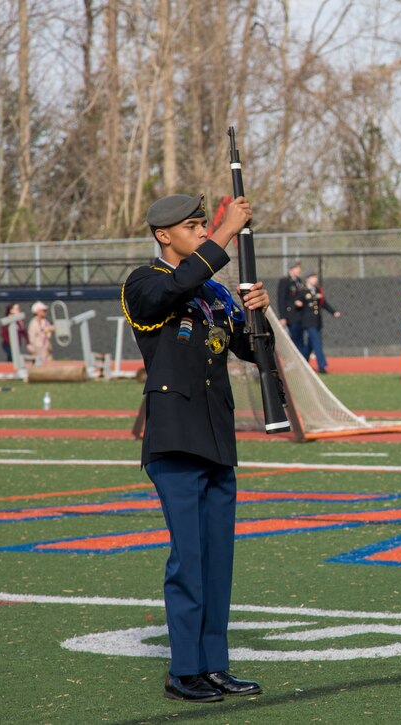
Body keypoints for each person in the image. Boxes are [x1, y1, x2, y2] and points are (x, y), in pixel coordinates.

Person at [121, 193, 267, 702]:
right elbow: (171, 291)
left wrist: (256, 313)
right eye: (195, 226)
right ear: (164, 235)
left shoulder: (214, 292)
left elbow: (250, 350)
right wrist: (227, 232)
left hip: (216, 438)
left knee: (216, 561)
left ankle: (214, 664)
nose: (205, 231)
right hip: (176, 439)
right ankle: (183, 670)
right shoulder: (143, 282)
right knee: (188, 559)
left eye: (207, 224)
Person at [301, 271, 340, 374]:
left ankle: (302, 363)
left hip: (317, 321)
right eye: (313, 277)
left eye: (315, 277)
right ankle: (322, 366)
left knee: (310, 344)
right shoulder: (303, 290)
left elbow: (323, 303)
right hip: (308, 322)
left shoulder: (318, 290)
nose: (315, 279)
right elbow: (296, 302)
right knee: (317, 342)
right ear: (308, 279)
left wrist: (333, 312)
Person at [276, 260, 308, 358]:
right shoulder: (285, 281)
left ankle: (302, 362)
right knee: (293, 340)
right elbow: (281, 299)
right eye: (297, 267)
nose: (299, 270)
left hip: (299, 315)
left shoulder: (298, 281)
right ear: (291, 269)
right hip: (290, 316)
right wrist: (283, 317)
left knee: (300, 339)